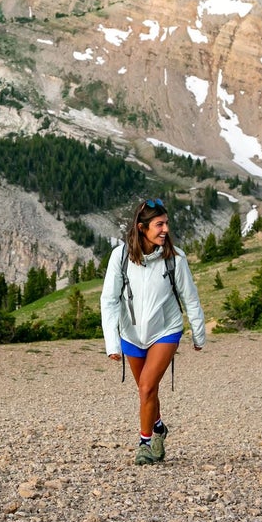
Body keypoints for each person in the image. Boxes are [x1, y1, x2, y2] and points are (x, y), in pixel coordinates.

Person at [101, 197, 206, 465]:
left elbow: (190, 298)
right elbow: (109, 300)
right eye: (159, 224)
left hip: (166, 331)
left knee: (147, 387)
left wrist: (198, 333)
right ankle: (158, 426)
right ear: (141, 227)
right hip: (131, 335)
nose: (166, 229)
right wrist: (112, 343)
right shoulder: (120, 256)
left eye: (167, 223)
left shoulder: (176, 258)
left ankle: (145, 443)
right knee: (146, 392)